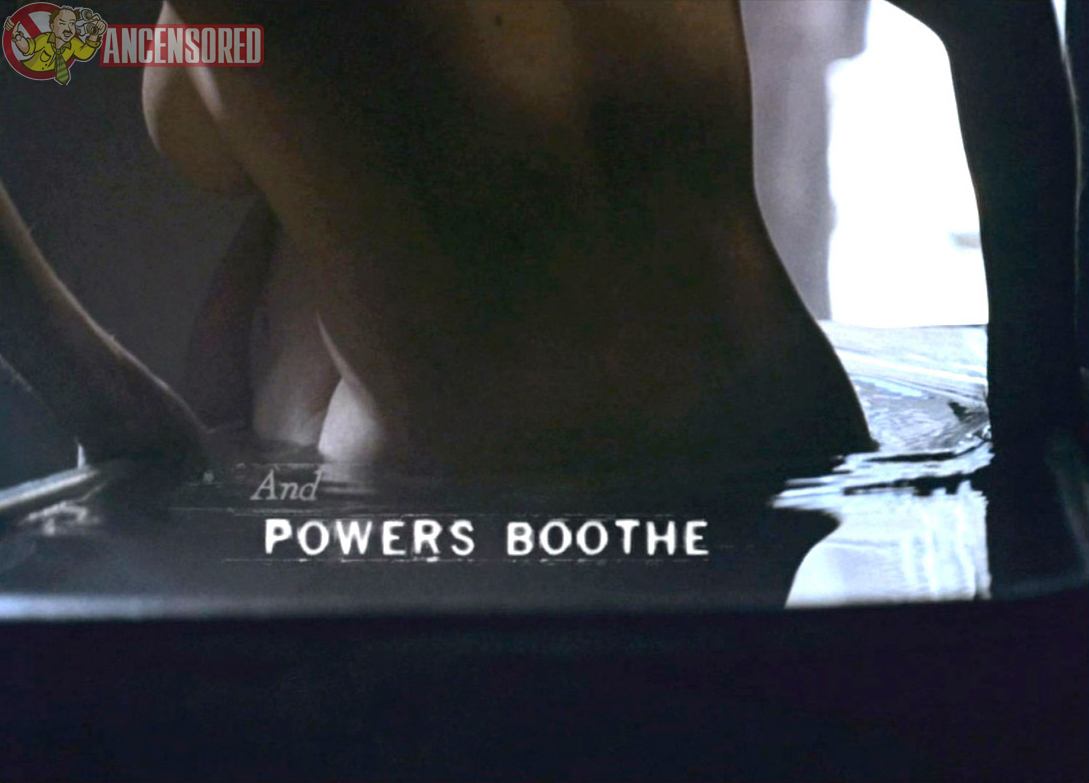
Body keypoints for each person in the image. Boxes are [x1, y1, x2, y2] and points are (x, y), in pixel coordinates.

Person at [0, 1, 1078, 482]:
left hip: (465, 507)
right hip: (782, 438)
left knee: (283, 208)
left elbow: (198, 145)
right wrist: (1039, 409)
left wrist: (103, 400)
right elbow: (999, 21)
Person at [3, 6, 106, 85]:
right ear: (52, 26)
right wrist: (16, 36)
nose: (68, 29)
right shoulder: (44, 39)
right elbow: (27, 48)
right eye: (62, 23)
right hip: (25, 76)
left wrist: (94, 34)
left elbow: (84, 53)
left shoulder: (74, 43)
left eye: (72, 24)